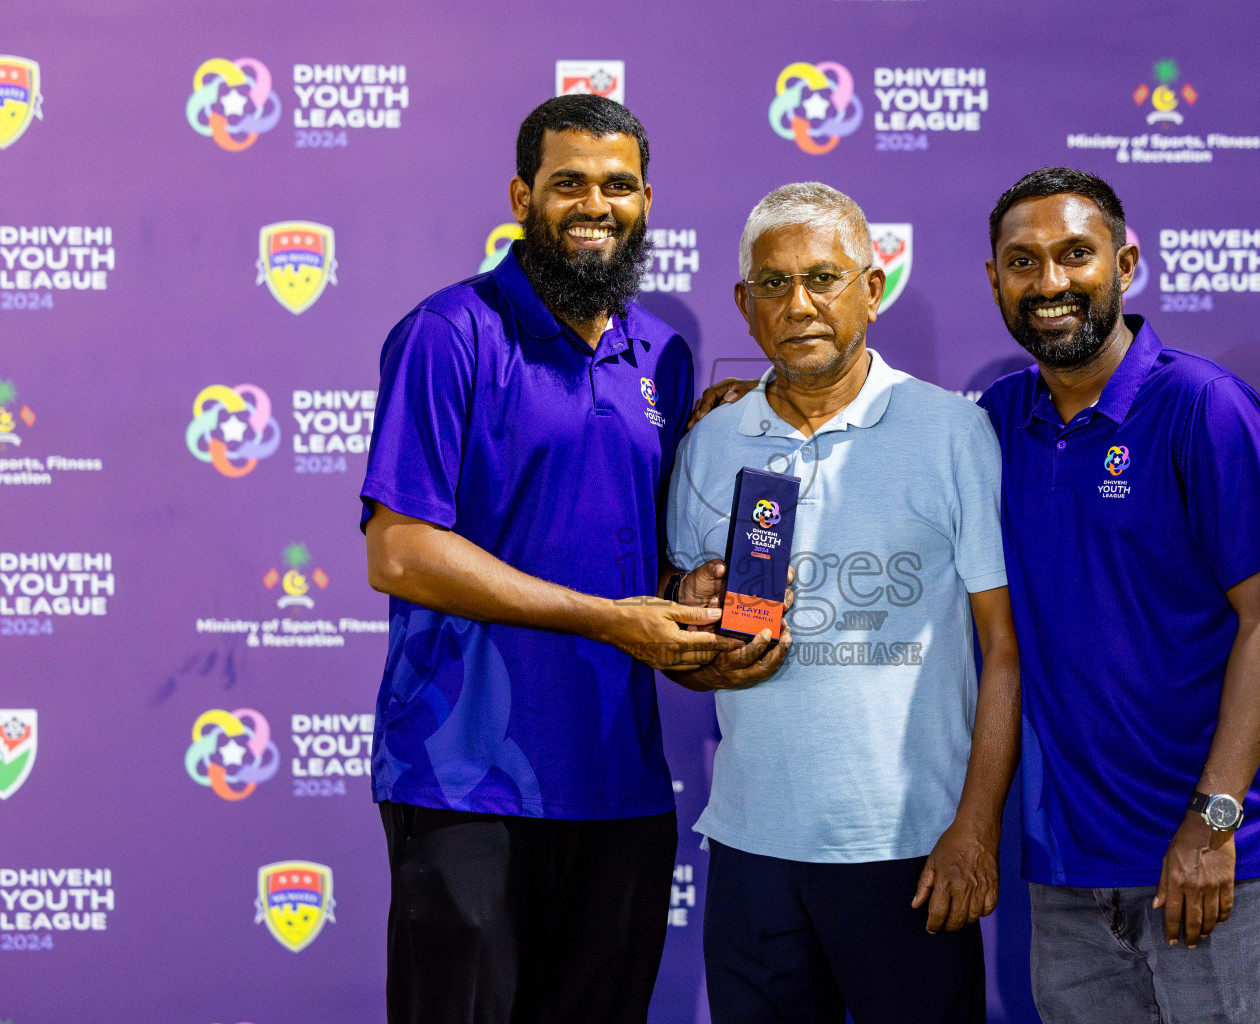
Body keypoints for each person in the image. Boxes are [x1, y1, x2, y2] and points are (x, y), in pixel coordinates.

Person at [359, 94, 744, 1024]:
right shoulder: (448, 334)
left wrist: (677, 595)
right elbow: (400, 554)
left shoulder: (664, 355)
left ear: (647, 199)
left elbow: (627, 558)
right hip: (466, 779)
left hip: (621, 786)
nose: (594, 204)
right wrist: (611, 619)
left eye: (618, 185)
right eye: (567, 182)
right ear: (522, 194)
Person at [665, 182, 1021, 1024]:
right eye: (775, 285)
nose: (801, 305)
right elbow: (681, 654)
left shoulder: (951, 433)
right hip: (752, 850)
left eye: (824, 278)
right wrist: (695, 618)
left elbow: (1002, 650)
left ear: (871, 288)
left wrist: (974, 828)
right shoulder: (710, 442)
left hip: (910, 852)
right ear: (746, 307)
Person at [978, 167, 1260, 1023]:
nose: (1049, 284)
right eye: (1023, 262)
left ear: (1125, 263)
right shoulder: (996, 419)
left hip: (1206, 861)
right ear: (994, 281)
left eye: (1075, 255)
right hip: (1068, 869)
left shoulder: (1204, 406)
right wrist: (750, 403)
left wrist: (1214, 821)